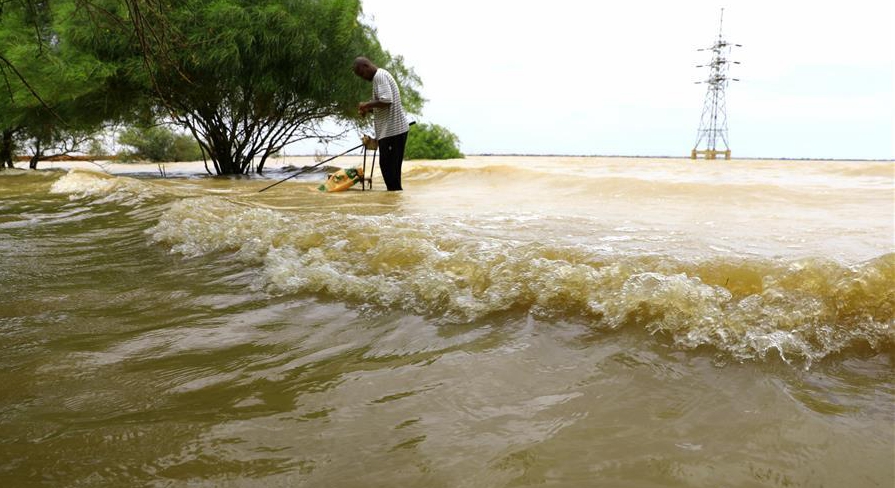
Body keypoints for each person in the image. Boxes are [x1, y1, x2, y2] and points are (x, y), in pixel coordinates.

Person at [352, 57, 409, 191]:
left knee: (389, 171)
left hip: (393, 131)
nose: (363, 77)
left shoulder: (380, 76)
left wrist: (366, 104)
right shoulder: (380, 76)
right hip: (391, 131)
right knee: (390, 171)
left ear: (366, 66)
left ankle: (394, 205)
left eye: (362, 74)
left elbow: (387, 100)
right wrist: (369, 109)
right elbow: (384, 106)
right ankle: (395, 204)